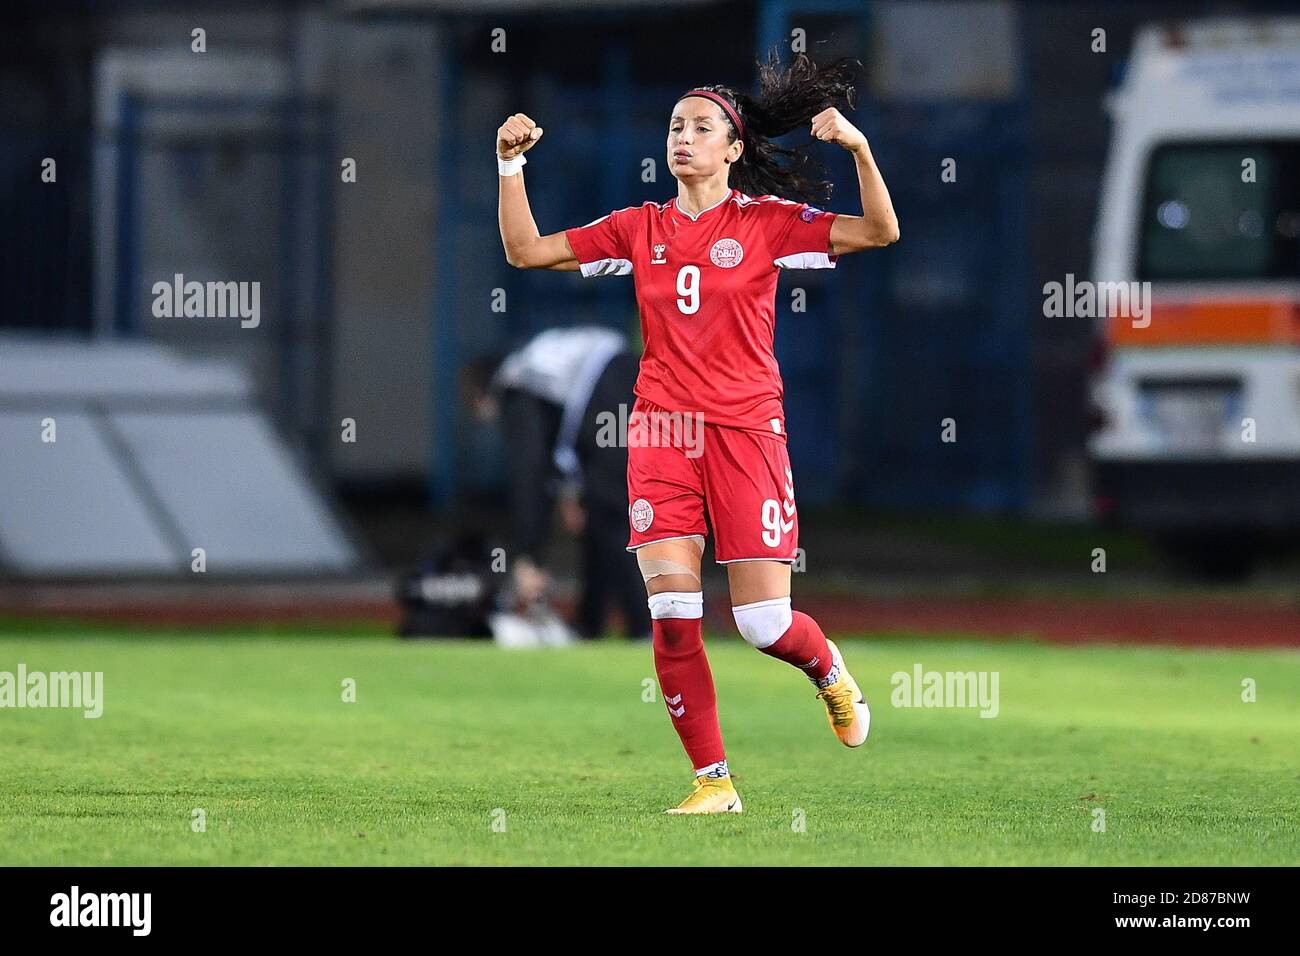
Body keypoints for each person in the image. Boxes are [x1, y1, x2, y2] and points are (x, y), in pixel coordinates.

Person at [495, 52, 899, 813]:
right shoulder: (636, 227)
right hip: (661, 433)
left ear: (733, 150)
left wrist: (858, 148)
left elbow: (880, 230)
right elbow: (526, 252)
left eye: (701, 127)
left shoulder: (769, 225)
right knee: (674, 614)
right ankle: (714, 782)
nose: (683, 137)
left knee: (762, 622)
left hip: (747, 430)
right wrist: (509, 167)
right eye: (675, 125)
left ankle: (827, 671)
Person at [464, 326, 651, 641]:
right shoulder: (534, 364)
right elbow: (565, 437)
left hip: (605, 384)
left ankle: (646, 626)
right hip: (627, 373)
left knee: (610, 513)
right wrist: (573, 492)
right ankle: (591, 624)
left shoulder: (514, 384)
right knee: (605, 512)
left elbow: (529, 472)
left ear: (482, 393)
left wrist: (528, 555)